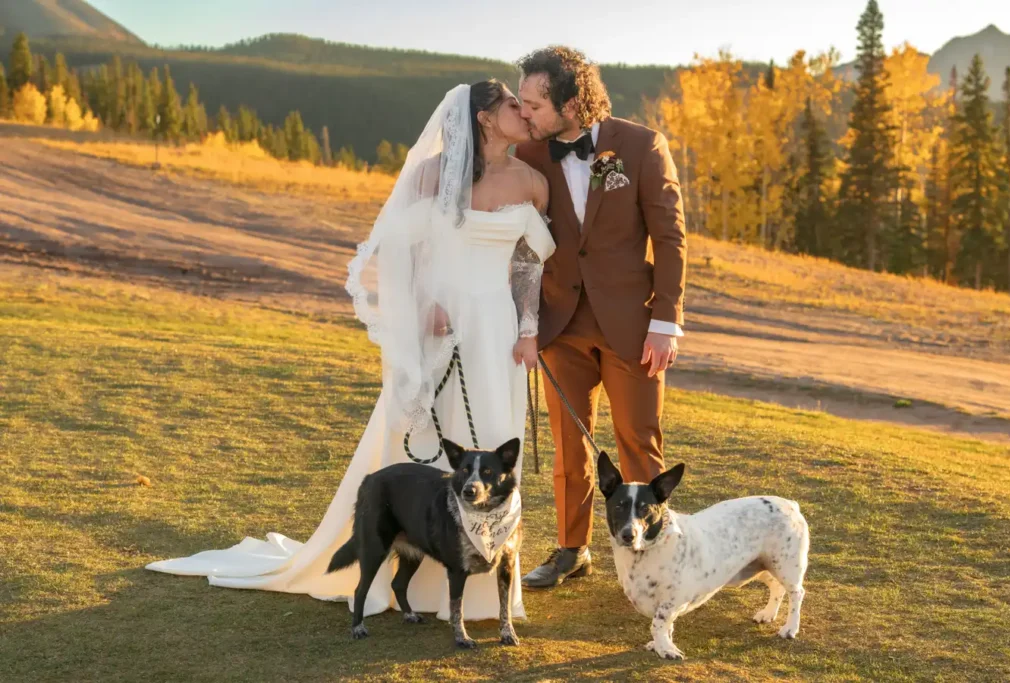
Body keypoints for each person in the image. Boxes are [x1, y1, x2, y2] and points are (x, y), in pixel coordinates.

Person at [147, 80, 555, 623]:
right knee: (427, 441)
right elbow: (400, 251)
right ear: (483, 117)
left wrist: (528, 328)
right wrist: (425, 305)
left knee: (494, 440)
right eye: (512, 105)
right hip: (442, 326)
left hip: (496, 331)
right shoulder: (432, 175)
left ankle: (485, 585)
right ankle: (407, 569)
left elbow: (529, 265)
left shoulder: (532, 181)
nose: (524, 114)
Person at [514, 47, 688, 589]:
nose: (524, 114)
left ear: (569, 102)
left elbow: (670, 239)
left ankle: (651, 555)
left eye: (533, 103)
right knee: (571, 445)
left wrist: (666, 320)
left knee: (639, 441)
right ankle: (572, 549)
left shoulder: (640, 145)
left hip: (633, 329)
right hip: (559, 325)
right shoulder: (528, 154)